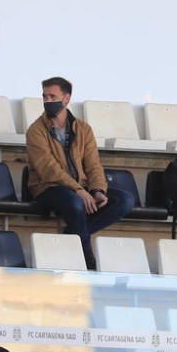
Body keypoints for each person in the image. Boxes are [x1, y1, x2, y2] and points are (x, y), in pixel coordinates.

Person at [25, 77, 135, 269]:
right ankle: (86, 260)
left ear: (66, 98)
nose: (47, 101)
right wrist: (79, 191)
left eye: (53, 96)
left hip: (79, 188)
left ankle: (72, 236)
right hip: (47, 188)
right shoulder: (35, 131)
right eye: (44, 96)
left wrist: (98, 190)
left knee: (125, 200)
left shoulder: (83, 129)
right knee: (75, 203)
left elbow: (94, 165)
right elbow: (48, 169)